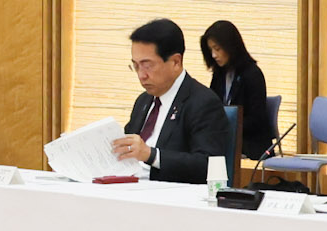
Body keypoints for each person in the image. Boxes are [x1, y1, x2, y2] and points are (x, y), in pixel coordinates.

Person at [112, 18, 230, 184]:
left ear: (176, 62)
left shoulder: (203, 102)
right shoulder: (143, 101)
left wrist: (152, 155)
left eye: (147, 65)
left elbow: (207, 165)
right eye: (136, 66)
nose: (141, 75)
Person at [200, 19, 273, 161]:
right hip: (225, 139)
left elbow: (257, 120)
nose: (214, 55)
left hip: (249, 143)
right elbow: (212, 106)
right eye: (211, 50)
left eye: (217, 49)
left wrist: (227, 125)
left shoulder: (252, 74)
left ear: (231, 47)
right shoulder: (219, 75)